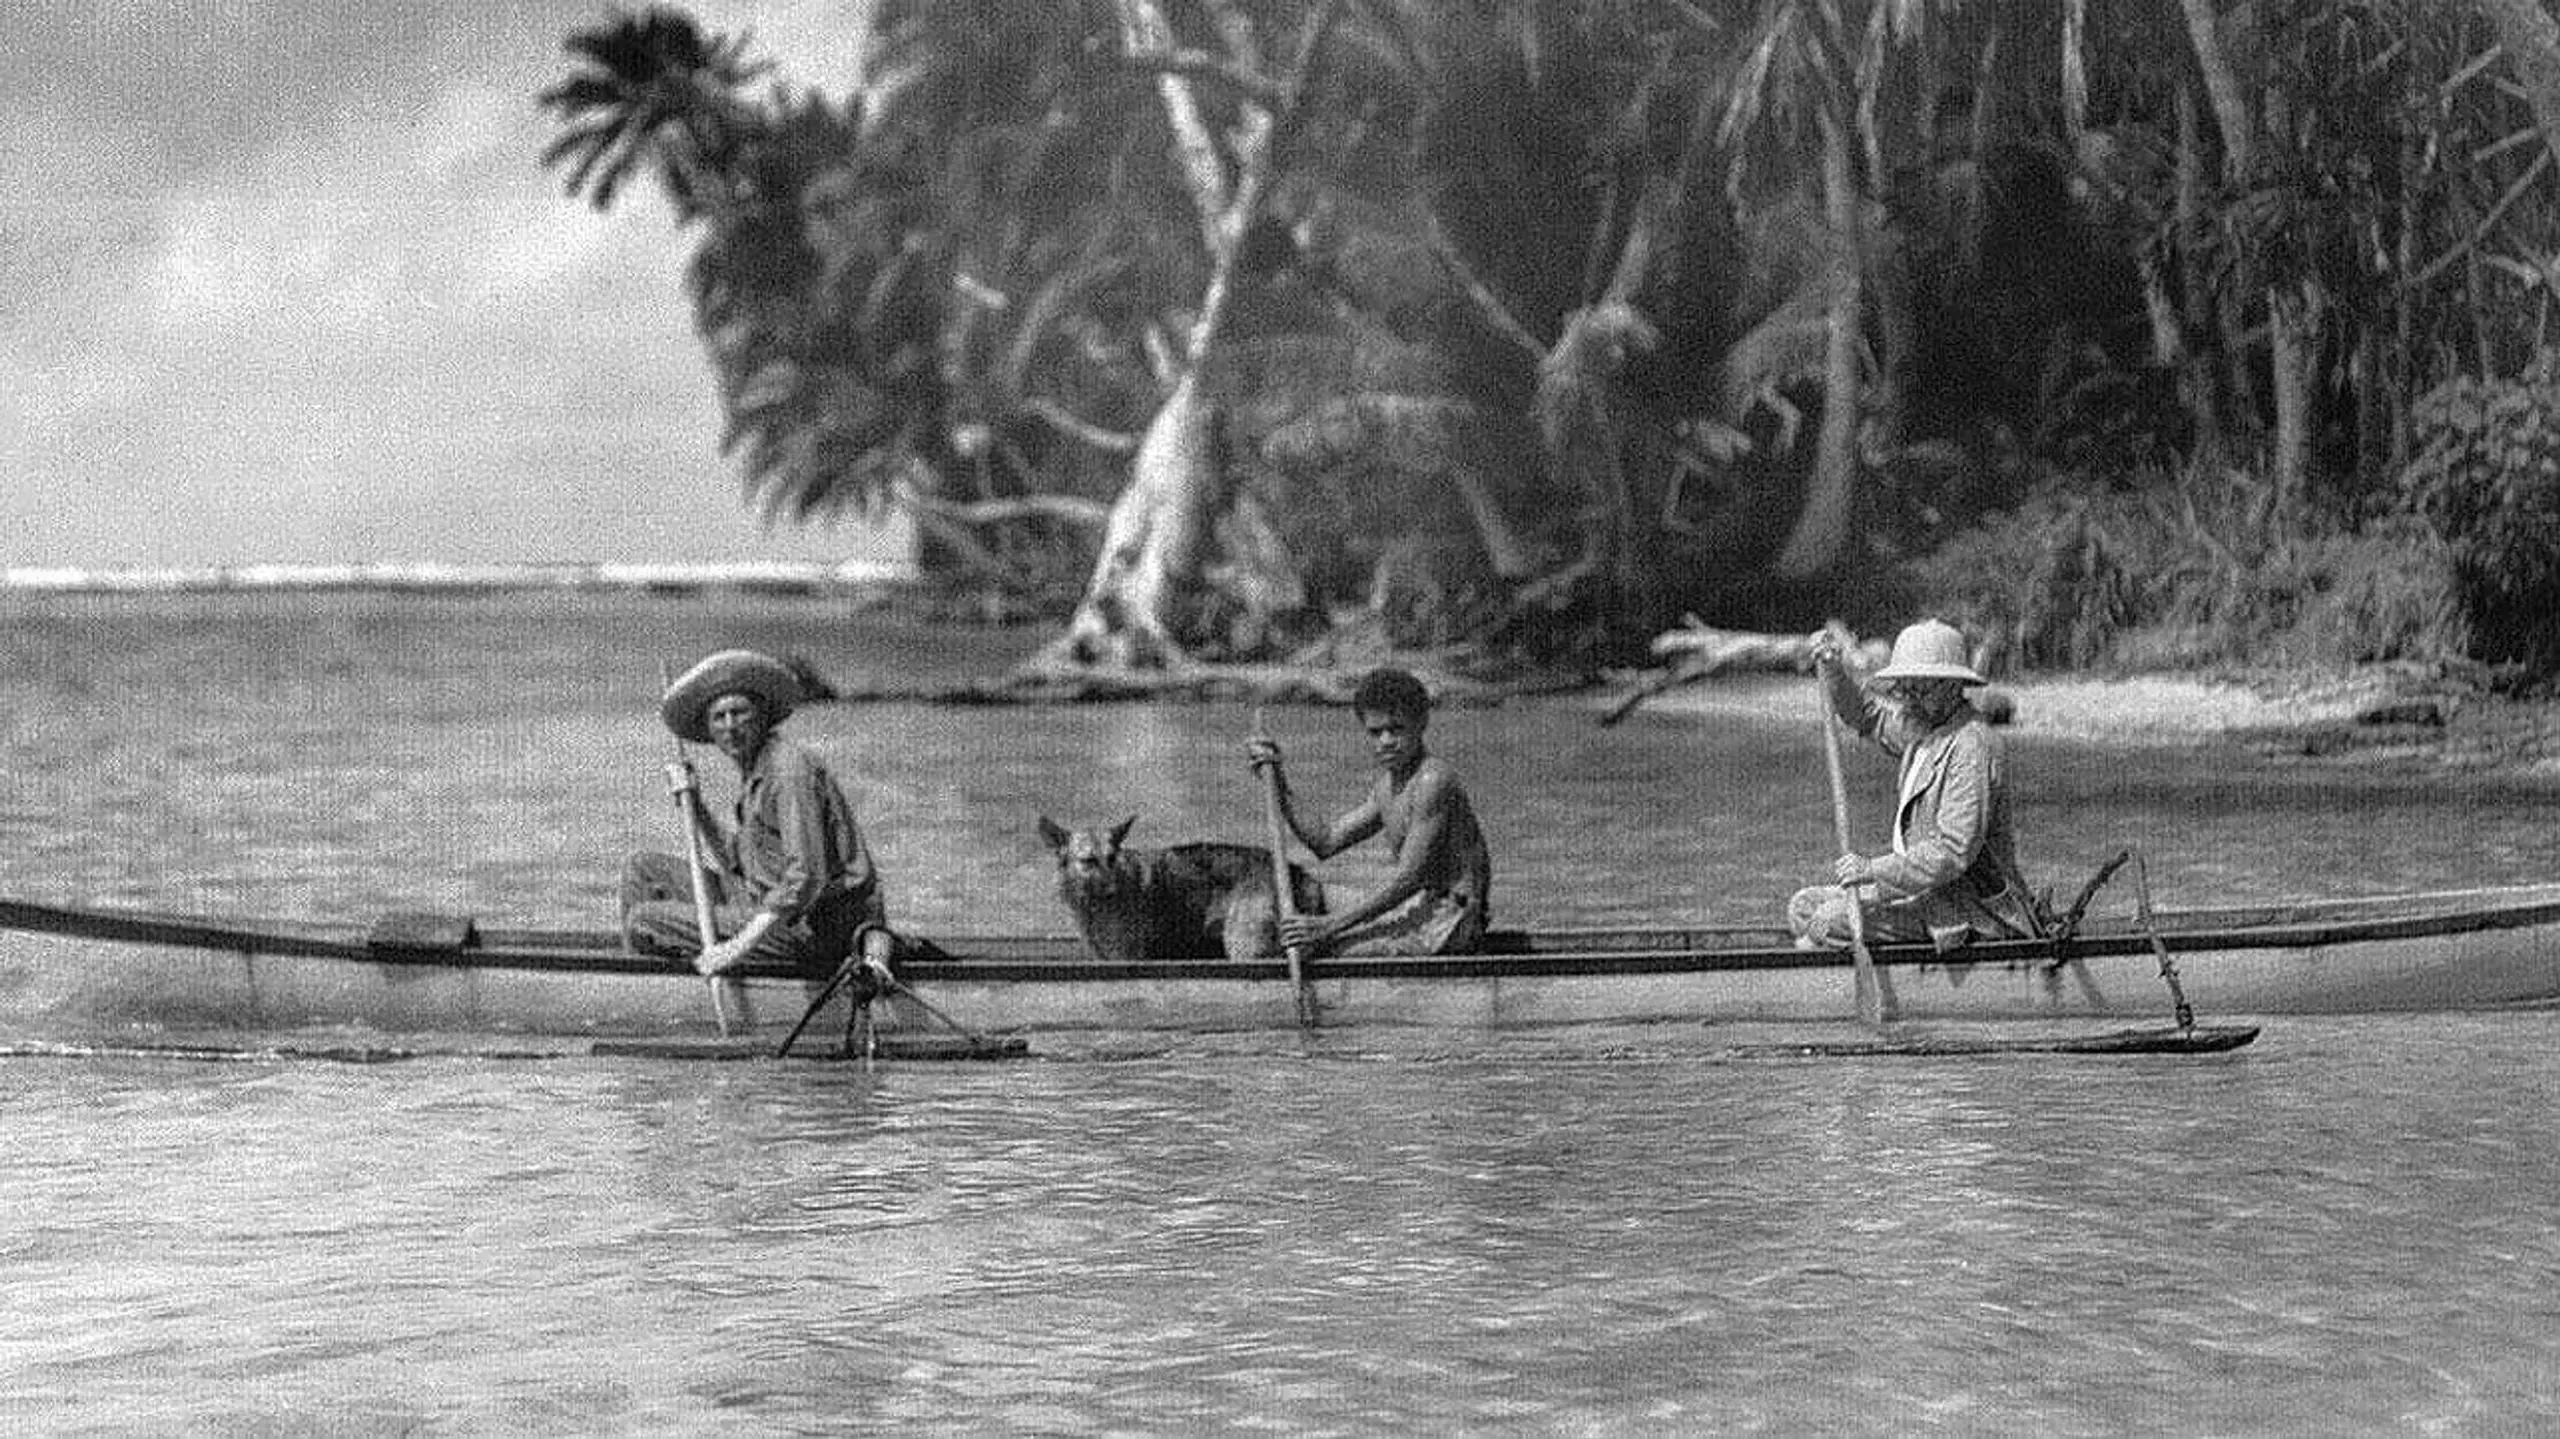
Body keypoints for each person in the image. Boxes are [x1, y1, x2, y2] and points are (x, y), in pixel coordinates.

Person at [621, 648, 897, 986]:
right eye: (718, 718)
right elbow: (738, 865)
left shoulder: (787, 774)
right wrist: (696, 806)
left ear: (762, 716)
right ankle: (648, 983)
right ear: (709, 730)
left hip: (816, 926)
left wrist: (735, 948)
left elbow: (806, 879)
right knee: (642, 870)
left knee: (644, 919)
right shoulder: (756, 769)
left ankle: (680, 983)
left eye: (740, 713)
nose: (730, 727)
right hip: (766, 903)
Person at [1788, 619, 2042, 952]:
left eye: (1919, 687)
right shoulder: (1922, 729)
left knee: (1827, 922)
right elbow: (1866, 715)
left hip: (1967, 908)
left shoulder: (1972, 746)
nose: (1908, 697)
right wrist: (1835, 671)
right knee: (1802, 908)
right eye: (1904, 686)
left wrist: (1871, 869)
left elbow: (1952, 851)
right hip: (1919, 893)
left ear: (1951, 687)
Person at [1245, 667, 1492, 956]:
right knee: (1302, 928)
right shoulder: (1386, 787)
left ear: (1421, 723)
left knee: (1314, 949)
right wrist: (1277, 781)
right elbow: (1325, 842)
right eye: (1376, 732)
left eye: (1396, 729)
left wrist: (1330, 925)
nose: (1386, 741)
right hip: (1423, 907)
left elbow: (1409, 878)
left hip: (1452, 922)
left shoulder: (1432, 781)